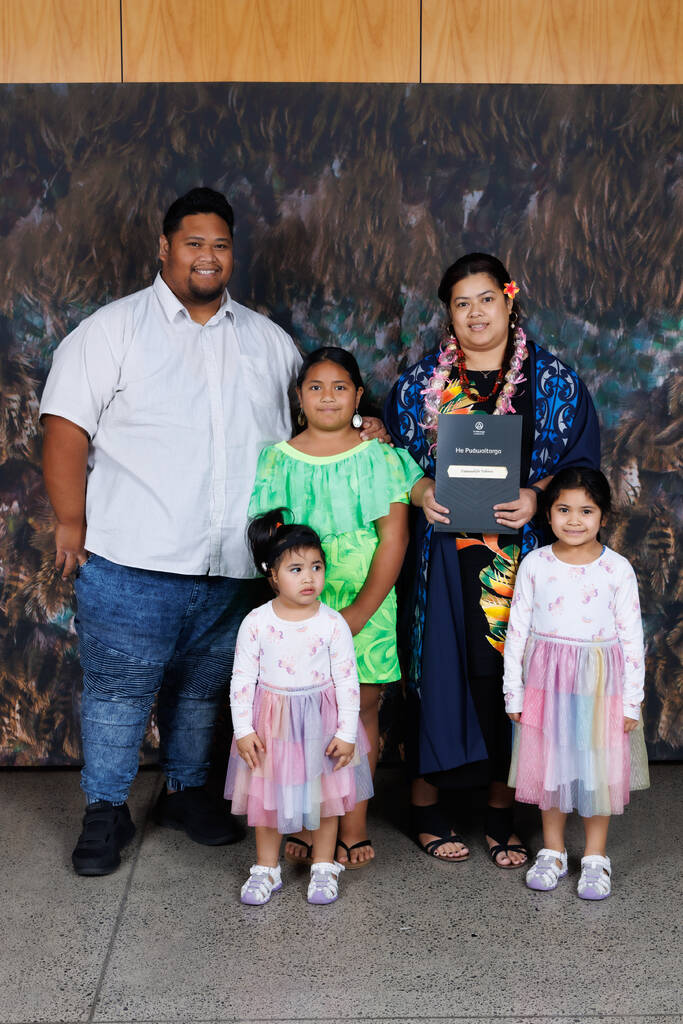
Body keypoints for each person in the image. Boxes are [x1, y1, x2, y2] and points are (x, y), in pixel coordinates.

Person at [39, 187, 386, 876]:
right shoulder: (112, 331)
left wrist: (361, 429)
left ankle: (186, 791)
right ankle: (105, 810)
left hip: (235, 563)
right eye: (193, 243)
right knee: (119, 693)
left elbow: (313, 418)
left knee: (203, 691)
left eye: (220, 245)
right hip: (133, 555)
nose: (207, 255)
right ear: (164, 248)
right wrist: (71, 521)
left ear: (232, 254)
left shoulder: (266, 341)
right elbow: (64, 426)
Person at [384, 252, 600, 866]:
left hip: (523, 558)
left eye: (485, 298)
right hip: (442, 558)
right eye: (461, 302)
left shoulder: (553, 382)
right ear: (448, 313)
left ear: (509, 300)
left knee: (510, 681)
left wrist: (538, 496)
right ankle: (425, 804)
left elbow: (581, 463)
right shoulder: (418, 385)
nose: (475, 312)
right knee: (441, 672)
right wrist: (423, 491)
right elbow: (392, 462)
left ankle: (503, 811)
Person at [248, 347, 423, 867]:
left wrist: (361, 612)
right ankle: (307, 816)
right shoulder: (277, 458)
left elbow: (394, 539)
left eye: (341, 387)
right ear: (299, 397)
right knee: (302, 714)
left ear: (358, 396)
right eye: (316, 387)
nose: (329, 396)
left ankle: (353, 823)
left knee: (360, 709)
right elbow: (269, 544)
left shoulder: (380, 456)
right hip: (298, 613)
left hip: (366, 605)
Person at [504, 468, 650, 899]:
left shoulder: (617, 570)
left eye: (586, 511)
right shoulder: (535, 564)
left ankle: (595, 857)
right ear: (548, 514)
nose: (573, 520)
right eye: (563, 509)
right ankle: (551, 851)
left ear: (603, 516)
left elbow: (632, 639)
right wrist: (514, 690)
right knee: (550, 766)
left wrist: (631, 702)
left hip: (599, 685)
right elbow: (518, 631)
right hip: (547, 683)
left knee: (595, 770)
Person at [225, 510, 373, 905]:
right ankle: (266, 868)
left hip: (321, 724)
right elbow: (242, 680)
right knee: (268, 798)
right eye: (295, 569)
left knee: (325, 797)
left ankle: (324, 865)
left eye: (316, 567)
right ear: (271, 575)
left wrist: (345, 732)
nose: (309, 577)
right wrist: (243, 730)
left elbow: (346, 680)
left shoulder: (332, 623)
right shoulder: (256, 623)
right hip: (272, 725)